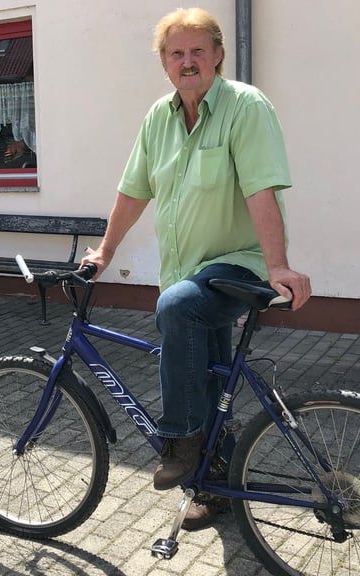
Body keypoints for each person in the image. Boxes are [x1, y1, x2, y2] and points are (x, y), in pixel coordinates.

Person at [82, 7, 311, 530]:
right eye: (176, 53)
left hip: (238, 268)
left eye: (197, 51)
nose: (188, 62)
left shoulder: (245, 107)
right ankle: (217, 487)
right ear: (164, 64)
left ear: (218, 56)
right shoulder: (158, 119)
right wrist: (105, 252)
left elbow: (261, 188)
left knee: (177, 309)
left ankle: (181, 440)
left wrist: (277, 264)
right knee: (208, 377)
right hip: (188, 272)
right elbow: (133, 191)